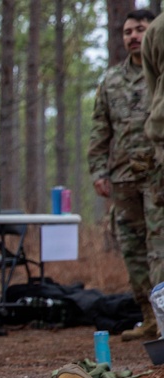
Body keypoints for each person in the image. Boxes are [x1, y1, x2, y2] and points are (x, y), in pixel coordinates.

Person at [90, 8, 162, 341]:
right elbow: (100, 129)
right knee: (133, 251)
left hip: (157, 174)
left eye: (141, 29)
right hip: (122, 177)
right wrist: (98, 170)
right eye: (127, 31)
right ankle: (149, 316)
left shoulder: (159, 74)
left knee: (158, 247)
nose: (133, 36)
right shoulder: (110, 80)